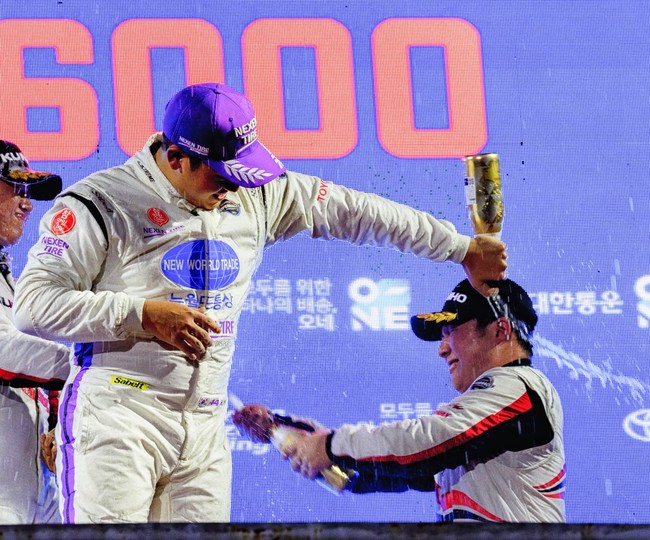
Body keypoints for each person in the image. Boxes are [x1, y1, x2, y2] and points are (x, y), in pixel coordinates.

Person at [12, 82, 507, 524]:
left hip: (204, 430)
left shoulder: (258, 195)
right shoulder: (100, 202)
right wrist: (141, 315)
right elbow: (33, 305)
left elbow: (358, 211)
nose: (237, 185)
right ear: (177, 158)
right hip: (117, 416)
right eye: (221, 173)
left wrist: (459, 248)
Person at [283, 279, 566, 523]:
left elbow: (427, 441)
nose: (442, 349)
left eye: (451, 331)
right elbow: (398, 471)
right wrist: (307, 443)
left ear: (501, 330)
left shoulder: (518, 385)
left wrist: (332, 446)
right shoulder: (490, 418)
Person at [0, 140, 70, 524]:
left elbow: (34, 373)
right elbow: (3, 352)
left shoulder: (10, 280)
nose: (27, 204)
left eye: (29, 192)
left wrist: (59, 424)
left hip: (37, 492)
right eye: (16, 187)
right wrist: (90, 368)